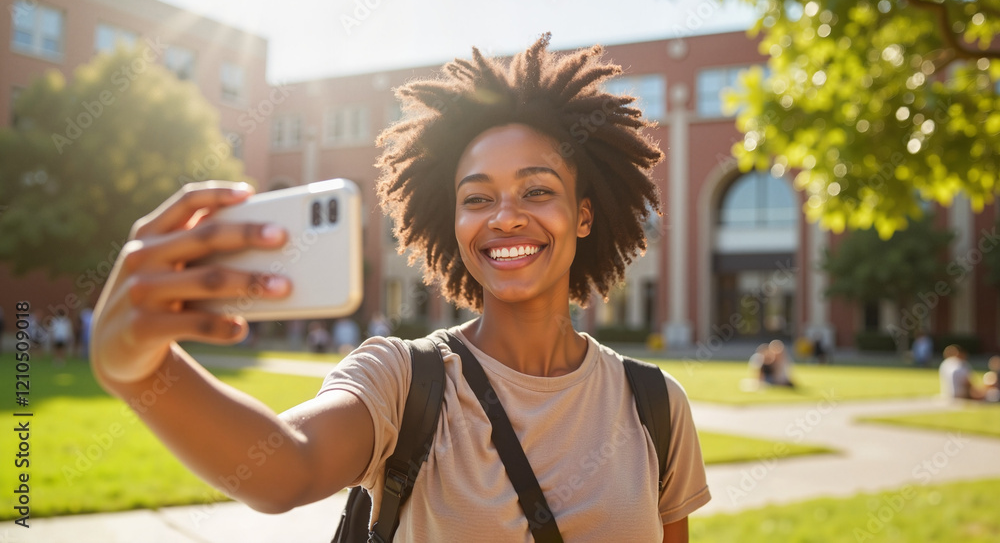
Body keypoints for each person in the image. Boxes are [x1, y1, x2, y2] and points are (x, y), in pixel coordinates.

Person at [88, 34, 710, 541]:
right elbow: (284, 467)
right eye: (476, 198)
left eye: (538, 190)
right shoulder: (404, 378)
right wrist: (139, 372)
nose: (505, 217)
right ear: (454, 222)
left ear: (583, 215)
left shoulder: (655, 404)